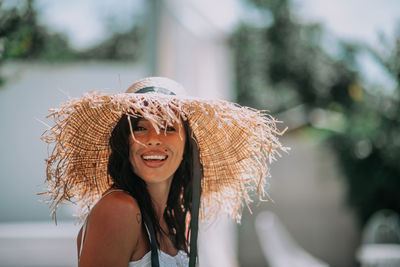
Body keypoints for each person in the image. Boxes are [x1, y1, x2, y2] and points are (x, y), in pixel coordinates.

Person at [41, 77, 288, 267]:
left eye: (168, 127)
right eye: (140, 127)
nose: (154, 140)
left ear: (186, 145)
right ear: (124, 141)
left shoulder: (180, 217)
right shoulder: (119, 209)